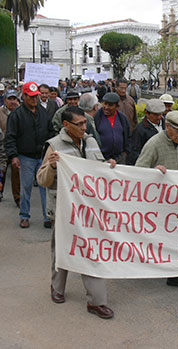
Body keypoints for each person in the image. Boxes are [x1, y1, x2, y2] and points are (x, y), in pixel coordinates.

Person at [37, 106, 115, 319]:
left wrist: (110, 167)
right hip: (64, 209)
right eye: (79, 124)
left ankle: (97, 302)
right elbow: (42, 180)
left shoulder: (91, 142)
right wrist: (52, 167)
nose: (84, 127)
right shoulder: (54, 146)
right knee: (62, 250)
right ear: (66, 125)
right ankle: (57, 287)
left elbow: (97, 171)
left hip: (90, 211)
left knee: (91, 251)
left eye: (85, 122)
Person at [136, 110, 178, 290]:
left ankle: (177, 275)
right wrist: (154, 171)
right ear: (167, 126)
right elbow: (138, 171)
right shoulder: (153, 144)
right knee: (165, 239)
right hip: (158, 204)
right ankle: (169, 272)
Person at [5, 82, 54, 228]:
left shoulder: (43, 113)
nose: (34, 100)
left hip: (42, 155)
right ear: (24, 96)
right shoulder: (16, 115)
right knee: (26, 187)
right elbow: (10, 137)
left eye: (36, 97)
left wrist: (50, 149)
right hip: (25, 157)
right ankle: (24, 215)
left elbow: (50, 131)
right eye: (31, 97)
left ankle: (48, 216)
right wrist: (13, 156)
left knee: (45, 187)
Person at [94, 92, 131, 164]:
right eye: (105, 104)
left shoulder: (122, 118)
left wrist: (126, 152)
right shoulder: (97, 117)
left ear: (117, 106)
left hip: (119, 158)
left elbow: (128, 136)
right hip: (102, 158)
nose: (106, 107)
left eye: (110, 105)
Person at [127, 99, 165, 165]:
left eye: (160, 114)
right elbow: (135, 153)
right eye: (156, 114)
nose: (159, 117)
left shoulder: (166, 125)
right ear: (146, 113)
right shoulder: (139, 130)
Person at [0, 89, 20, 205]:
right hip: (2, 147)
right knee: (1, 170)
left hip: (15, 147)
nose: (12, 102)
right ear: (4, 100)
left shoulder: (20, 112)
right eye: (10, 99)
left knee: (16, 172)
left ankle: (17, 198)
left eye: (14, 99)